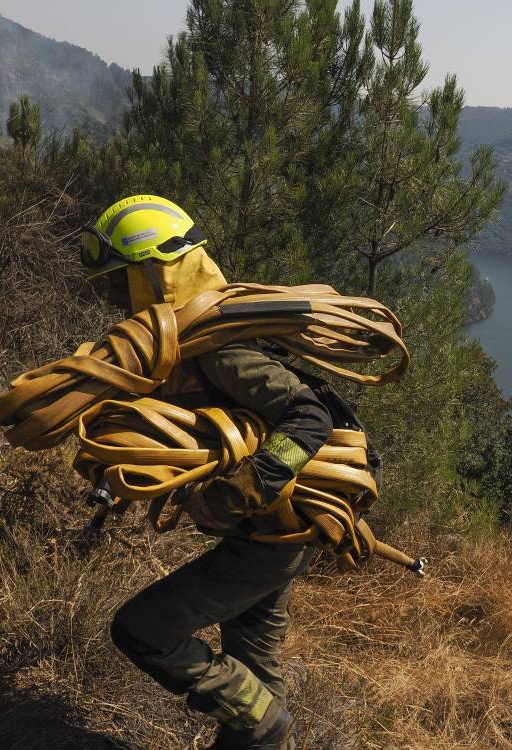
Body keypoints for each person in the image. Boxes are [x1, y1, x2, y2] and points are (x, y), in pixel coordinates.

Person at [80, 195, 329, 750]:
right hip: (271, 532)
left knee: (142, 631)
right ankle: (261, 734)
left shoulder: (217, 347)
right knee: (254, 669)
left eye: (125, 281)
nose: (118, 297)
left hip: (269, 537)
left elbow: (312, 416)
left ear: (156, 275)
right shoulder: (181, 342)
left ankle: (264, 726)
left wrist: (245, 487)